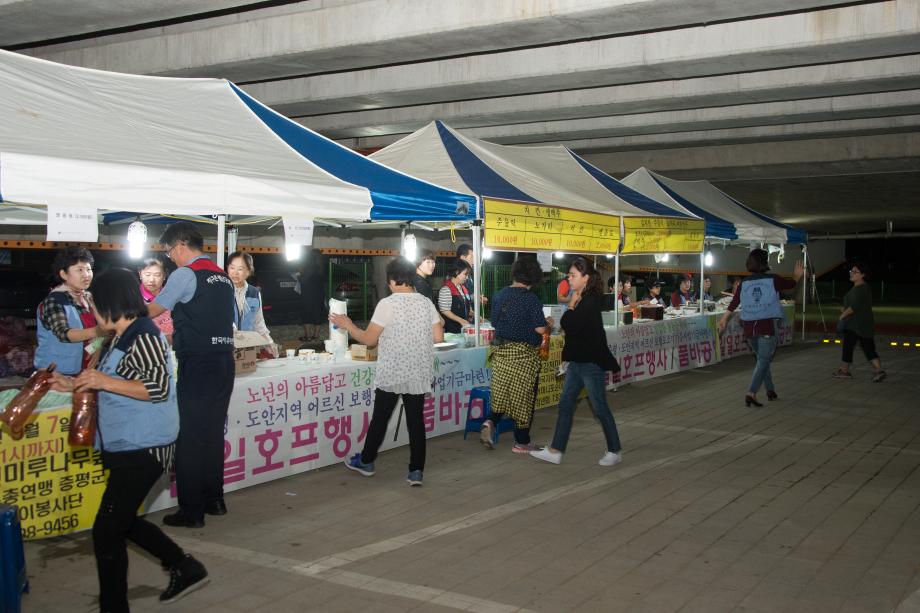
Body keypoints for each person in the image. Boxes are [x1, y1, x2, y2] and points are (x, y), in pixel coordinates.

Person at [49, 269, 208, 612]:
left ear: (111, 302)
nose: (94, 312)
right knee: (121, 522)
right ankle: (184, 566)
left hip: (146, 446)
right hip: (127, 443)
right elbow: (114, 380)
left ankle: (115, 605)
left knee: (107, 530)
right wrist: (74, 384)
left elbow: (158, 387)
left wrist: (102, 382)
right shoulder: (118, 338)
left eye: (95, 305)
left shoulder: (144, 335)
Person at [147, 222, 235, 527]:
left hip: (198, 363)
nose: (170, 257)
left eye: (169, 251)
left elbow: (154, 309)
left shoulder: (186, 274)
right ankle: (215, 500)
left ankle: (191, 511)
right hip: (224, 361)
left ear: (181, 245)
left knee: (190, 437)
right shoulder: (222, 276)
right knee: (212, 433)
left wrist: (120, 316)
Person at [334, 257, 444, 486]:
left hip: (393, 372)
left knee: (380, 419)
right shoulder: (426, 303)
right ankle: (416, 472)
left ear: (392, 280)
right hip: (418, 372)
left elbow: (369, 340)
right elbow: (438, 337)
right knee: (416, 422)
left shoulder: (387, 304)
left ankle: (366, 461)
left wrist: (348, 325)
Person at [531, 257, 623, 467]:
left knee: (599, 407)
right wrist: (566, 359)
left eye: (573, 275)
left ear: (586, 278)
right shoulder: (582, 298)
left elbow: (569, 324)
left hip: (591, 363)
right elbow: (573, 332)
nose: (569, 279)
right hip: (577, 362)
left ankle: (614, 450)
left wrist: (571, 305)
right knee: (566, 404)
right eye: (569, 275)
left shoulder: (590, 300)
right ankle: (555, 450)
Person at [480, 258, 552, 453]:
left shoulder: (499, 295)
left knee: (501, 393)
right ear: (533, 277)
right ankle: (521, 442)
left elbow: (495, 322)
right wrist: (548, 324)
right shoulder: (530, 298)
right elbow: (540, 329)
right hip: (523, 355)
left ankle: (489, 422)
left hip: (501, 352)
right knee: (524, 398)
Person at [717, 249, 804, 407]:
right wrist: (797, 276)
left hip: (749, 328)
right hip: (767, 326)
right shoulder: (773, 279)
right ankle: (751, 392)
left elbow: (734, 302)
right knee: (763, 360)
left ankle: (770, 390)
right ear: (765, 262)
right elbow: (791, 285)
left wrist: (723, 319)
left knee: (762, 360)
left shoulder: (744, 283)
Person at [35, 247, 99, 376]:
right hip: (56, 375)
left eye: (88, 269)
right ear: (63, 274)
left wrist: (97, 347)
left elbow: (106, 331)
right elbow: (63, 334)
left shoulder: (89, 299)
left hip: (85, 372)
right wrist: (98, 331)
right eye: (79, 270)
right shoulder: (54, 301)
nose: (86, 275)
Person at [833, 261, 886, 382]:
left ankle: (845, 371)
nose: (851, 273)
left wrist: (842, 316)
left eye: (855, 272)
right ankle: (877, 371)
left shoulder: (861, 288)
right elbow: (854, 305)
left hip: (856, 324)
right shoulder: (858, 287)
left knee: (853, 348)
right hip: (859, 324)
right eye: (851, 271)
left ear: (863, 275)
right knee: (865, 348)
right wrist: (844, 309)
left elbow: (854, 306)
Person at [226, 251, 277, 356]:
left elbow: (258, 322)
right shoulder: (222, 290)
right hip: (226, 347)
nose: (235, 273)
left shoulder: (254, 293)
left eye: (240, 269)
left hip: (247, 348)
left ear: (249, 271)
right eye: (232, 268)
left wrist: (269, 343)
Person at [138, 258, 174, 344]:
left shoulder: (173, 296)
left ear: (164, 275)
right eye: (147, 274)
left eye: (157, 275)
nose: (151, 280)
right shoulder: (134, 298)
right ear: (140, 273)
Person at [437, 259, 473, 333]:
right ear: (457, 272)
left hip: (462, 329)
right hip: (451, 331)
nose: (467, 277)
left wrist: (475, 315)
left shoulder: (463, 288)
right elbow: (445, 310)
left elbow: (465, 307)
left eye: (468, 275)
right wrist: (460, 320)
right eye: (465, 274)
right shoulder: (446, 289)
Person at [299, 249, 327, 342]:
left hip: (308, 294)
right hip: (319, 294)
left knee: (306, 314)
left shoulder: (310, 267)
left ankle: (308, 336)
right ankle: (316, 336)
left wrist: (300, 274)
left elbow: (304, 280)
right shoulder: (322, 267)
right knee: (317, 314)